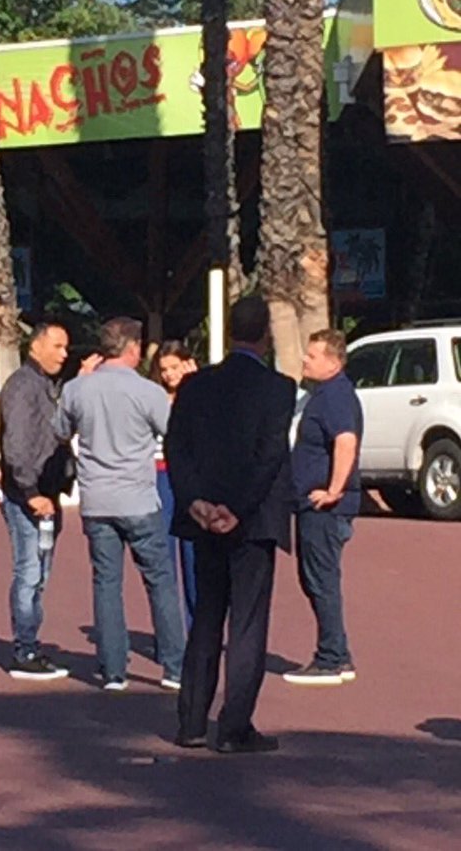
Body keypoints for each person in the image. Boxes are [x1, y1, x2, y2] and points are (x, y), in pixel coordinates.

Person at [166, 296, 296, 753]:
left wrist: (195, 501)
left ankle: (191, 722)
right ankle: (234, 727)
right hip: (251, 521)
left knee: (206, 617)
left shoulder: (196, 385)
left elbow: (176, 447)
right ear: (266, 336)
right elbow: (269, 456)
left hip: (204, 518)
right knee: (247, 624)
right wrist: (237, 509)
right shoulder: (278, 388)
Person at [55, 316, 185, 692]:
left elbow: (59, 430)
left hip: (97, 500)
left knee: (107, 582)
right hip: (139, 497)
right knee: (160, 581)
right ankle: (174, 668)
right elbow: (174, 432)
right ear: (132, 348)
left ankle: (113, 670)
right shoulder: (148, 391)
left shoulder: (77, 389)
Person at [0, 321, 100, 681]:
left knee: (39, 573)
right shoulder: (22, 387)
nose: (63, 354)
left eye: (66, 347)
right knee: (29, 572)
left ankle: (30, 645)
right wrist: (31, 493)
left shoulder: (48, 386)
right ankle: (24, 651)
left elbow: (58, 428)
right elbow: (16, 446)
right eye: (57, 346)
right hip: (29, 497)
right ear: (35, 346)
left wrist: (80, 382)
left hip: (48, 494)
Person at [283, 329, 362, 687]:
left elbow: (346, 441)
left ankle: (329, 658)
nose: (305, 359)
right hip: (310, 505)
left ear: (334, 363)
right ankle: (338, 654)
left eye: (313, 355)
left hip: (324, 509)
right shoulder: (321, 394)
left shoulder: (336, 396)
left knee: (321, 579)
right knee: (314, 577)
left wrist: (334, 490)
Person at [149, 341, 197, 628]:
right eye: (164, 369)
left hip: (190, 477)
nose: (169, 374)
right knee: (163, 556)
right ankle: (168, 633)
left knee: (194, 555)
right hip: (160, 476)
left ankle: (197, 629)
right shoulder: (153, 397)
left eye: (174, 367)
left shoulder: (201, 394)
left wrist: (195, 387)